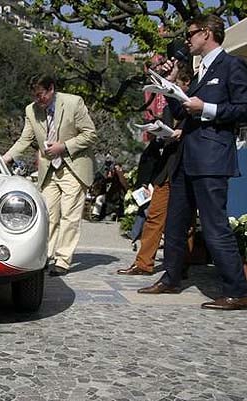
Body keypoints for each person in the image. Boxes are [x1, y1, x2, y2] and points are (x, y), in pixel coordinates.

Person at [138, 15, 247, 310]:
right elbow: (185, 112)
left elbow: (243, 109)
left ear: (208, 33)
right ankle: (171, 278)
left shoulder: (231, 66)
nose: (188, 40)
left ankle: (237, 290)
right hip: (186, 157)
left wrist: (207, 107)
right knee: (174, 223)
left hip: (212, 159)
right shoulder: (199, 72)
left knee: (214, 226)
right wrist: (171, 87)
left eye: (191, 34)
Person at [2, 74, 98, 276]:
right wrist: (4, 158)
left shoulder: (74, 103)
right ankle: (45, 255)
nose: (38, 100)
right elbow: (25, 139)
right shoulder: (31, 110)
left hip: (74, 166)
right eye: (35, 96)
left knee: (69, 216)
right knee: (48, 216)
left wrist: (64, 147)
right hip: (49, 170)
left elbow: (90, 134)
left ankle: (63, 260)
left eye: (41, 95)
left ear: (51, 89)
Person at [118, 66, 194, 276]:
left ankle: (182, 265)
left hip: (187, 166)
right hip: (167, 166)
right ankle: (143, 263)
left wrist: (183, 133)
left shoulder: (196, 107)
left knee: (184, 221)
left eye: (179, 86)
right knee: (154, 216)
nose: (176, 90)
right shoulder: (170, 108)